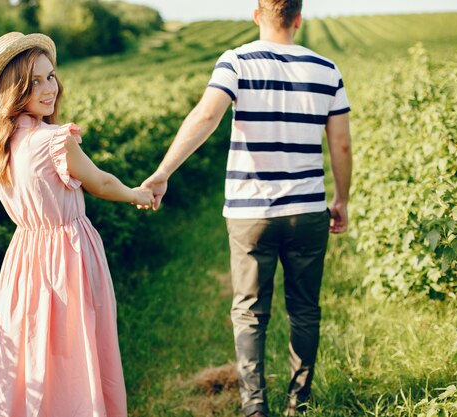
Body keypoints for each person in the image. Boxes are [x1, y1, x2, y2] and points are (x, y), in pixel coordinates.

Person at [142, 1, 352, 415]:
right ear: (298, 19)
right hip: (307, 209)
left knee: (250, 312)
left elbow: (207, 116)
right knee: (305, 308)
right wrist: (341, 198)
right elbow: (341, 143)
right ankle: (299, 404)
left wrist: (163, 171)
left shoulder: (236, 61)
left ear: (257, 16)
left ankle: (254, 406)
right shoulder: (327, 69)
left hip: (250, 212)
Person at [0, 32, 153, 417]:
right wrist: (138, 194)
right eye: (34, 81)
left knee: (32, 355)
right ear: (14, 89)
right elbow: (101, 182)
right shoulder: (54, 140)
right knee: (78, 353)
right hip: (66, 257)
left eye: (51, 76)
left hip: (24, 262)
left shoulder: (1, 146)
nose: (49, 88)